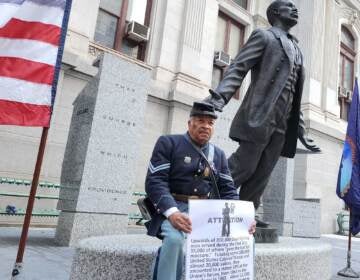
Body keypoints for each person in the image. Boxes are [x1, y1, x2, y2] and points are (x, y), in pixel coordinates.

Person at [205, 0, 320, 221]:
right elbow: (239, 67)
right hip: (260, 114)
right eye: (289, 6)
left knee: (262, 173)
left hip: (283, 122)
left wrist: (301, 131)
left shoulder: (297, 48)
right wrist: (219, 98)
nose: (295, 9)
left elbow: (294, 95)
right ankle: (206, 200)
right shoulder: (264, 36)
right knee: (244, 166)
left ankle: (248, 214)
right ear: (275, 12)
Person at [145, 101, 256, 280]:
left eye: (210, 123)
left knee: (246, 238)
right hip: (174, 207)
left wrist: (244, 219)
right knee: (174, 240)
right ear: (190, 123)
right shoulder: (169, 143)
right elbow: (155, 182)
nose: (205, 126)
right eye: (200, 120)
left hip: (207, 213)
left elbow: (228, 190)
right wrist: (172, 213)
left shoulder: (218, 154)